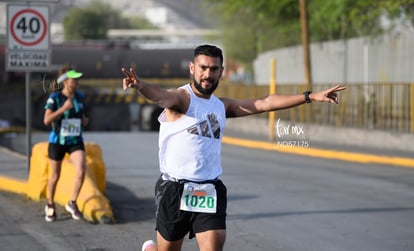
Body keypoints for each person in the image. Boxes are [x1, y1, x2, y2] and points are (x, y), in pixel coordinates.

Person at [121, 44, 346, 251]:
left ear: (221, 71)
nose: (208, 74)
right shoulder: (182, 99)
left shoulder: (222, 105)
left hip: (208, 190)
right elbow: (161, 96)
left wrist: (310, 96)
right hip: (174, 189)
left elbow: (265, 102)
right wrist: (141, 86)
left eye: (214, 69)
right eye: (203, 68)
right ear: (192, 68)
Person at [43, 66, 89, 222]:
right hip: (57, 141)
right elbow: (47, 120)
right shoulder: (54, 98)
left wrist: (84, 121)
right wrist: (62, 109)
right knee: (55, 176)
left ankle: (72, 202)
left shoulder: (80, 97)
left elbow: (82, 116)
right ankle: (50, 204)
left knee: (82, 169)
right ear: (65, 81)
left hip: (75, 140)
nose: (77, 81)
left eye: (77, 79)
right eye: (74, 79)